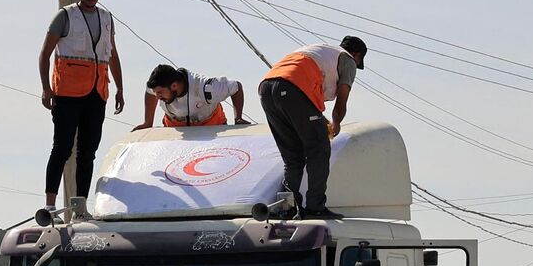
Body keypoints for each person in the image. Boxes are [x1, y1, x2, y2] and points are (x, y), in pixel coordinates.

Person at [39, 0, 124, 209]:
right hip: (67, 93)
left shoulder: (106, 17)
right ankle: (50, 205)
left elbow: (112, 54)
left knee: (88, 152)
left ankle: (80, 205)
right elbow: (45, 54)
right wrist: (46, 88)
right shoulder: (65, 16)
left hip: (97, 92)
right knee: (62, 147)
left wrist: (120, 88)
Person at [256, 36, 365, 217]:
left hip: (267, 89)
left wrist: (322, 122)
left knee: (293, 157)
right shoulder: (347, 59)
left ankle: (288, 207)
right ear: (357, 55)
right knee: (320, 148)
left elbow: (303, 105)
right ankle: (315, 207)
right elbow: (342, 98)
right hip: (292, 86)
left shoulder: (319, 52)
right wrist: (336, 123)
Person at [135, 65, 246, 129]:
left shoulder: (206, 88)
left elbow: (236, 87)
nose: (157, 97)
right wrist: (148, 123)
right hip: (176, 128)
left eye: (160, 93)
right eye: (156, 93)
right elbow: (149, 92)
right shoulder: (158, 88)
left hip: (211, 128)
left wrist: (238, 118)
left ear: (174, 86)